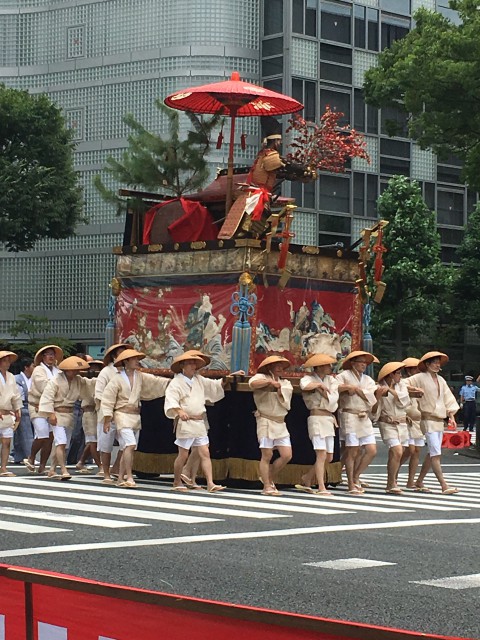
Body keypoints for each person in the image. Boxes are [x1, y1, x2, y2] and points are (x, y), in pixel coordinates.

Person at [101, 348, 170, 488]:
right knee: (130, 445)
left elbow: (157, 382)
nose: (137, 361)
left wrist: (173, 383)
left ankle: (120, 477)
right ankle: (129, 476)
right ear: (126, 361)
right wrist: (107, 419)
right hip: (121, 415)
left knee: (129, 447)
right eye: (134, 359)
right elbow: (107, 399)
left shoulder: (141, 376)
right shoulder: (117, 379)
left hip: (135, 416)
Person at [164, 353, 226, 493]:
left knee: (205, 452)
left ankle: (210, 482)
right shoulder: (176, 382)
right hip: (186, 421)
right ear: (182, 366)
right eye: (190, 363)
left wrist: (226, 379)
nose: (193, 366)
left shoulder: (199, 380)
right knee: (183, 454)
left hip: (198, 421)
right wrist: (179, 411)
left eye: (194, 364)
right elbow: (171, 399)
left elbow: (214, 386)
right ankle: (176, 480)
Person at [404, 351, 459, 494]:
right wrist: (414, 389)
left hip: (439, 420)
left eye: (438, 362)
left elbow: (448, 398)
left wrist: (451, 415)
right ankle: (443, 485)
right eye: (434, 362)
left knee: (433, 452)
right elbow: (403, 384)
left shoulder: (441, 380)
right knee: (435, 453)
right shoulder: (420, 377)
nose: (437, 365)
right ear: (427, 365)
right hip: (427, 419)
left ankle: (419, 480)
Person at [336, 350, 386, 495]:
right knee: (352, 450)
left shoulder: (368, 380)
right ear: (353, 363)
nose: (363, 365)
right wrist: (347, 387)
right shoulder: (343, 376)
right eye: (360, 362)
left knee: (371, 450)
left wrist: (358, 390)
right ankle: (351, 482)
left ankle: (356, 475)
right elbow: (335, 387)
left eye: (365, 363)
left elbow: (371, 395)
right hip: (349, 414)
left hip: (364, 416)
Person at [39, 355, 91, 480]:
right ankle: (63, 469)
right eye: (72, 369)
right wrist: (50, 413)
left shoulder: (78, 380)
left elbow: (91, 385)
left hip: (69, 415)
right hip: (56, 414)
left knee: (62, 444)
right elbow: (47, 397)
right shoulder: (55, 380)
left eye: (76, 370)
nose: (75, 372)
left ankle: (52, 469)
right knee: (61, 442)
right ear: (66, 370)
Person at [249, 355, 293, 496]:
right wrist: (269, 383)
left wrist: (277, 386)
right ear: (270, 367)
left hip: (280, 422)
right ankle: (267, 486)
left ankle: (268, 477)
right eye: (277, 366)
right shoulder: (260, 377)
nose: (280, 368)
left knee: (287, 455)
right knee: (267, 454)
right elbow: (253, 384)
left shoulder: (285, 382)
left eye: (282, 366)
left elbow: (286, 394)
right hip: (265, 420)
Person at [296, 353, 339, 496]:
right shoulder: (308, 378)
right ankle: (321, 486)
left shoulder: (332, 381)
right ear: (319, 367)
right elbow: (305, 386)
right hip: (316, 418)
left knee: (329, 457)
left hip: (328, 418)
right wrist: (319, 385)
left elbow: (334, 398)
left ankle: (307, 477)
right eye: (327, 365)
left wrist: (323, 391)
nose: (329, 368)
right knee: (321, 454)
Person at [23, 344, 63, 475]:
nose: (51, 357)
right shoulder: (38, 370)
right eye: (48, 354)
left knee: (50, 437)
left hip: (52, 406)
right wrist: (57, 385)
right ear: (43, 357)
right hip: (37, 405)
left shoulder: (57, 370)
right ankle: (32, 456)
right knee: (43, 434)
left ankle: (43, 465)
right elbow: (43, 386)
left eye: (53, 354)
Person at [95, 343, 129, 484]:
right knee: (106, 445)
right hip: (108, 412)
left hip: (124, 413)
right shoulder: (106, 372)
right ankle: (106, 473)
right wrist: (109, 409)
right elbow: (99, 393)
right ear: (115, 356)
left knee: (127, 444)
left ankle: (116, 469)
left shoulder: (128, 373)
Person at [376, 362, 411, 494]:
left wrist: (391, 390)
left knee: (401, 452)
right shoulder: (379, 387)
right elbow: (375, 408)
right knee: (396, 450)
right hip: (387, 423)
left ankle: (392, 480)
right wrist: (379, 395)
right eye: (398, 373)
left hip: (402, 423)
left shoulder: (402, 386)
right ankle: (391, 483)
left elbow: (404, 401)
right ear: (391, 374)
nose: (400, 376)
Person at [398, 357, 426, 489]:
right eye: (414, 369)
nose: (417, 372)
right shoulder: (403, 383)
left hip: (418, 420)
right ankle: (394, 473)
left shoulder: (422, 383)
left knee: (416, 451)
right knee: (409, 449)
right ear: (408, 371)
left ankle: (411, 480)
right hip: (407, 419)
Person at [75, 360, 104, 474]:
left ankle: (81, 461)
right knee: (92, 440)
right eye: (91, 368)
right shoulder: (84, 381)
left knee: (94, 440)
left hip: (98, 412)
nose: (94, 370)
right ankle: (100, 466)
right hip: (88, 412)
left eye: (97, 368)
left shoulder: (102, 380)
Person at [0, 351, 22, 477]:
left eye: (8, 361)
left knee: (7, 441)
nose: (7, 363)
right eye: (5, 360)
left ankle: (3, 467)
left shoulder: (11, 377)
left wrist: (17, 409)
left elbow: (16, 395)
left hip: (7, 412)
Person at [13, 357, 34, 464]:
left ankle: (18, 456)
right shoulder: (17, 379)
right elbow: (19, 396)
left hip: (33, 406)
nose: (34, 368)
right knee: (26, 433)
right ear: (26, 367)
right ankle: (30, 456)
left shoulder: (34, 378)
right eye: (32, 366)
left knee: (20, 434)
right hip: (22, 407)